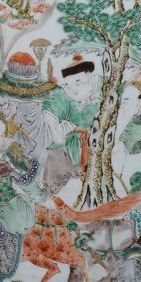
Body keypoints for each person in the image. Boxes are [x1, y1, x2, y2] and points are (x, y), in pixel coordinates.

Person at [42, 55, 98, 195]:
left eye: (78, 82)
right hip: (71, 149)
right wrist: (56, 131)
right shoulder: (63, 96)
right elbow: (50, 111)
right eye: (68, 85)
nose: (73, 89)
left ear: (89, 77)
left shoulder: (101, 90)